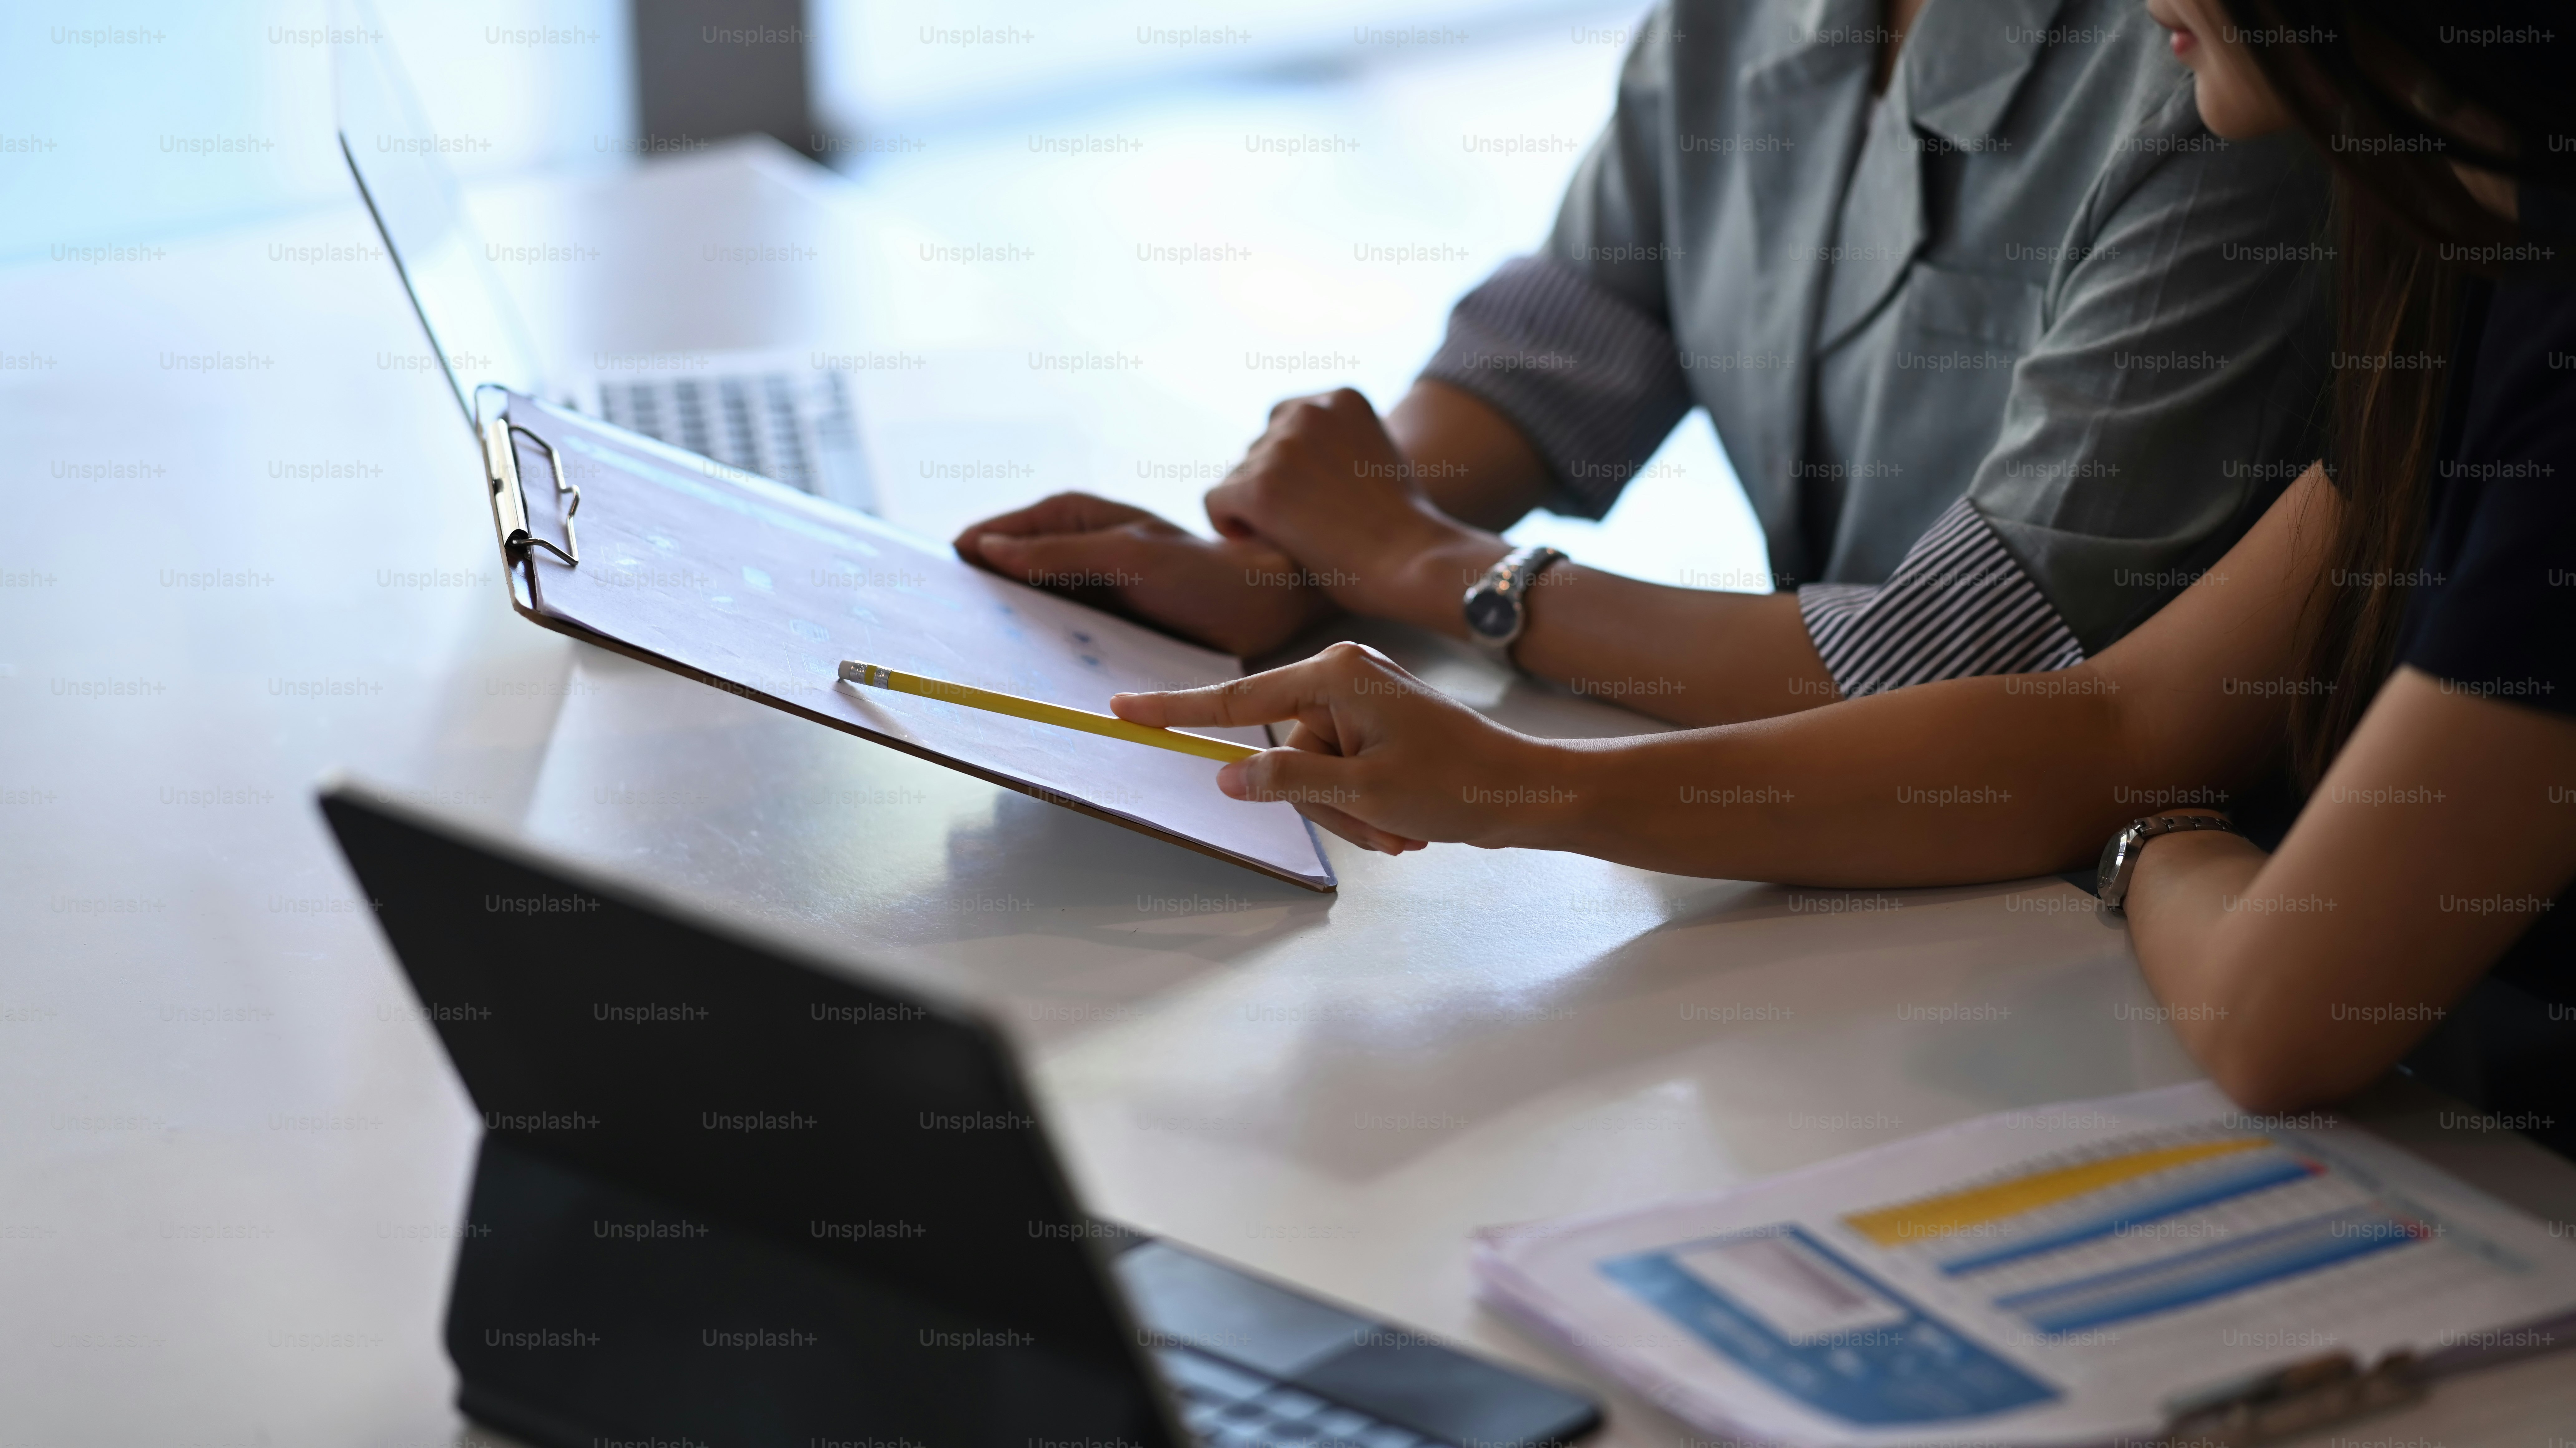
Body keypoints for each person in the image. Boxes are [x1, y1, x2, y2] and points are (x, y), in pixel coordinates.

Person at [1108, 0, 2576, 1122]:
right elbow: (2119, 727)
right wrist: (1340, 585)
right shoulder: (2454, 262)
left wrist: (2150, 837)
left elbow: (2261, 991)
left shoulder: (2269, 135)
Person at [958, 0, 2337, 726]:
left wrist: (1432, 569)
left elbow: (1963, 659)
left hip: (2121, 899)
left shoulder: (2222, 61)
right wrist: (1284, 564)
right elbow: (1576, 335)